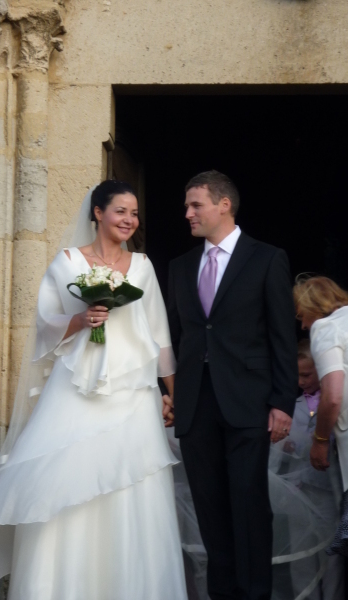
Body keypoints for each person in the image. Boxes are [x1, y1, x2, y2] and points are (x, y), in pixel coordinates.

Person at [0, 180, 188, 600]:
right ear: (98, 213)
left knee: (132, 484)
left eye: (134, 214)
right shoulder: (68, 262)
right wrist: (81, 319)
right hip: (75, 388)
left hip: (132, 392)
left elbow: (159, 335)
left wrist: (174, 393)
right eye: (120, 211)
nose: (129, 220)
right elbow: (45, 326)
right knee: (59, 478)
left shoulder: (143, 266)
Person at [168, 170, 298, 600]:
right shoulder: (180, 267)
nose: (188, 213)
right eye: (187, 206)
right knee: (210, 508)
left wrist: (283, 401)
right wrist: (168, 393)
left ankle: (255, 594)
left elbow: (282, 336)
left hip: (249, 401)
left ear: (224, 205)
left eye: (196, 205)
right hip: (195, 403)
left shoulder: (267, 258)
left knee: (248, 503)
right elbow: (175, 338)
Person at [273, 339, 345, 600]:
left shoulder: (336, 402)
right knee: (301, 552)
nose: (301, 381)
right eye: (297, 376)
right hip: (298, 491)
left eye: (306, 375)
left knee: (331, 551)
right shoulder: (291, 406)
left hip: (327, 489)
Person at [294, 275, 348, 558]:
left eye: (302, 315)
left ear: (313, 307)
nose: (303, 325)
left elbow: (333, 395)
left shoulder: (326, 328)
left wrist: (320, 440)